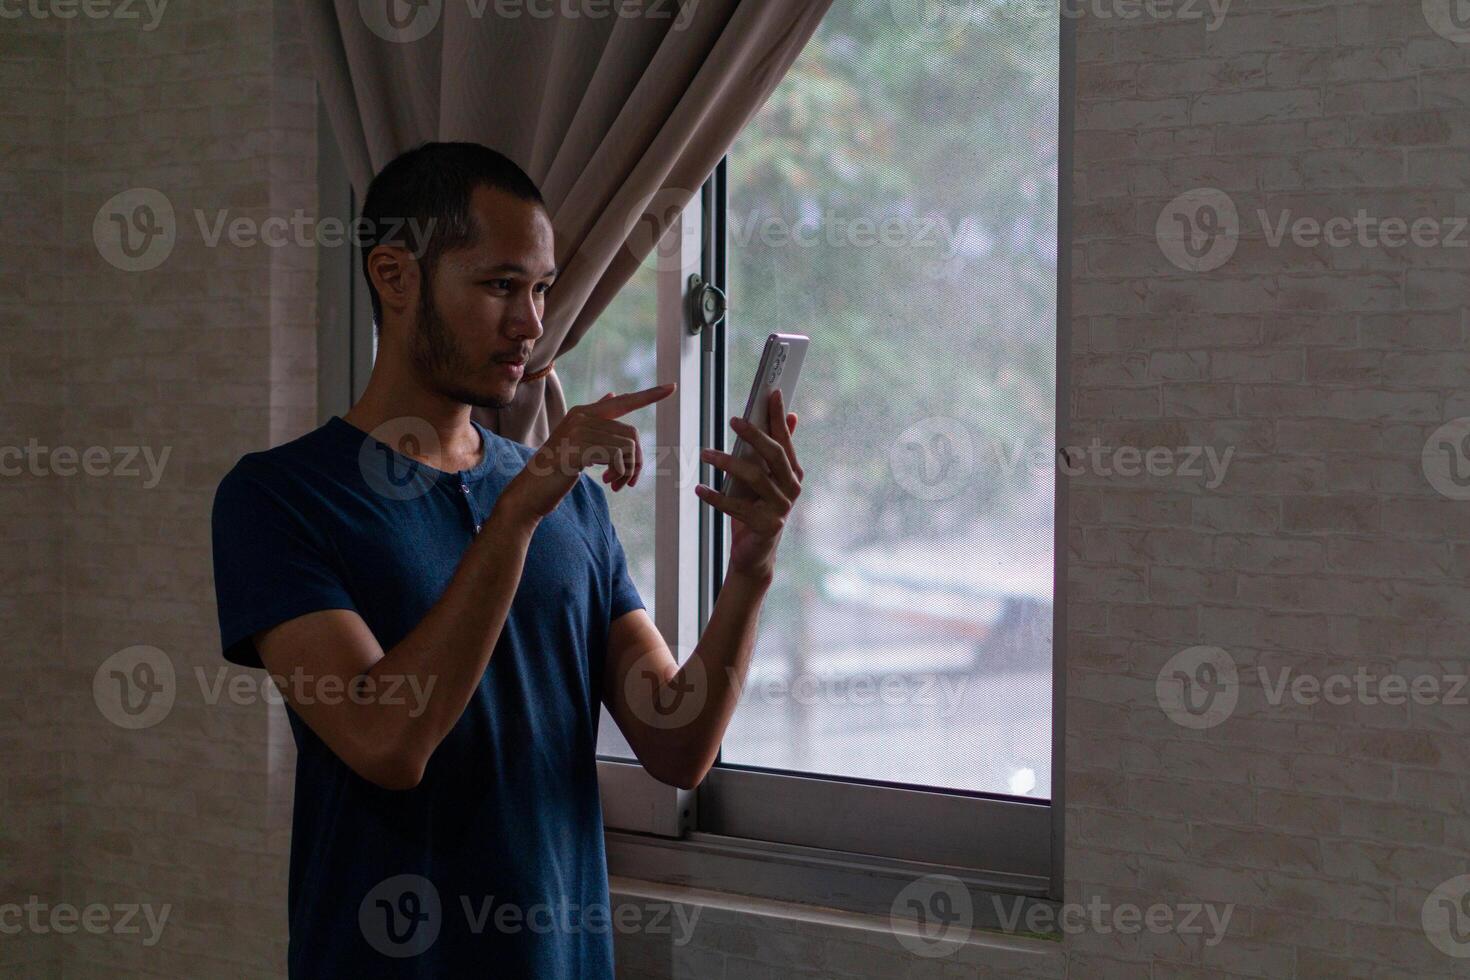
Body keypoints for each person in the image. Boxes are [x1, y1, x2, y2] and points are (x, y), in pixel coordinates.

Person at [209, 141, 803, 977]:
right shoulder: (278, 499)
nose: (530, 322)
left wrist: (753, 563)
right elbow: (387, 740)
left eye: (540, 289)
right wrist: (522, 506)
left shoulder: (571, 501)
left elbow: (676, 740)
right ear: (394, 275)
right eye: (498, 286)